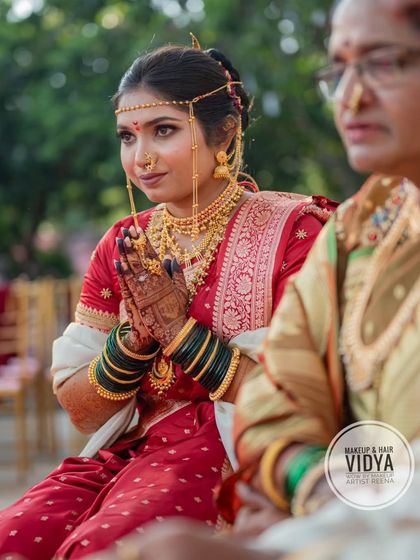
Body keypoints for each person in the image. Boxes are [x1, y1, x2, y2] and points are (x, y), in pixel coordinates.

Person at [84, 0, 420, 558]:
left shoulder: (305, 229)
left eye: (383, 64)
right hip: (332, 503)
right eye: (338, 72)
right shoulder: (359, 232)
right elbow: (279, 400)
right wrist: (300, 479)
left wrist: (319, 494)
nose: (351, 98)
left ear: (226, 132)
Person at [0, 39, 335, 559]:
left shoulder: (295, 234)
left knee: (105, 547)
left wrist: (180, 333)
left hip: (233, 450)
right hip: (124, 449)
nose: (142, 157)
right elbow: (81, 412)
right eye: (127, 137)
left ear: (223, 131)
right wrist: (133, 340)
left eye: (164, 130)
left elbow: (296, 396)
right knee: (14, 536)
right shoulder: (123, 244)